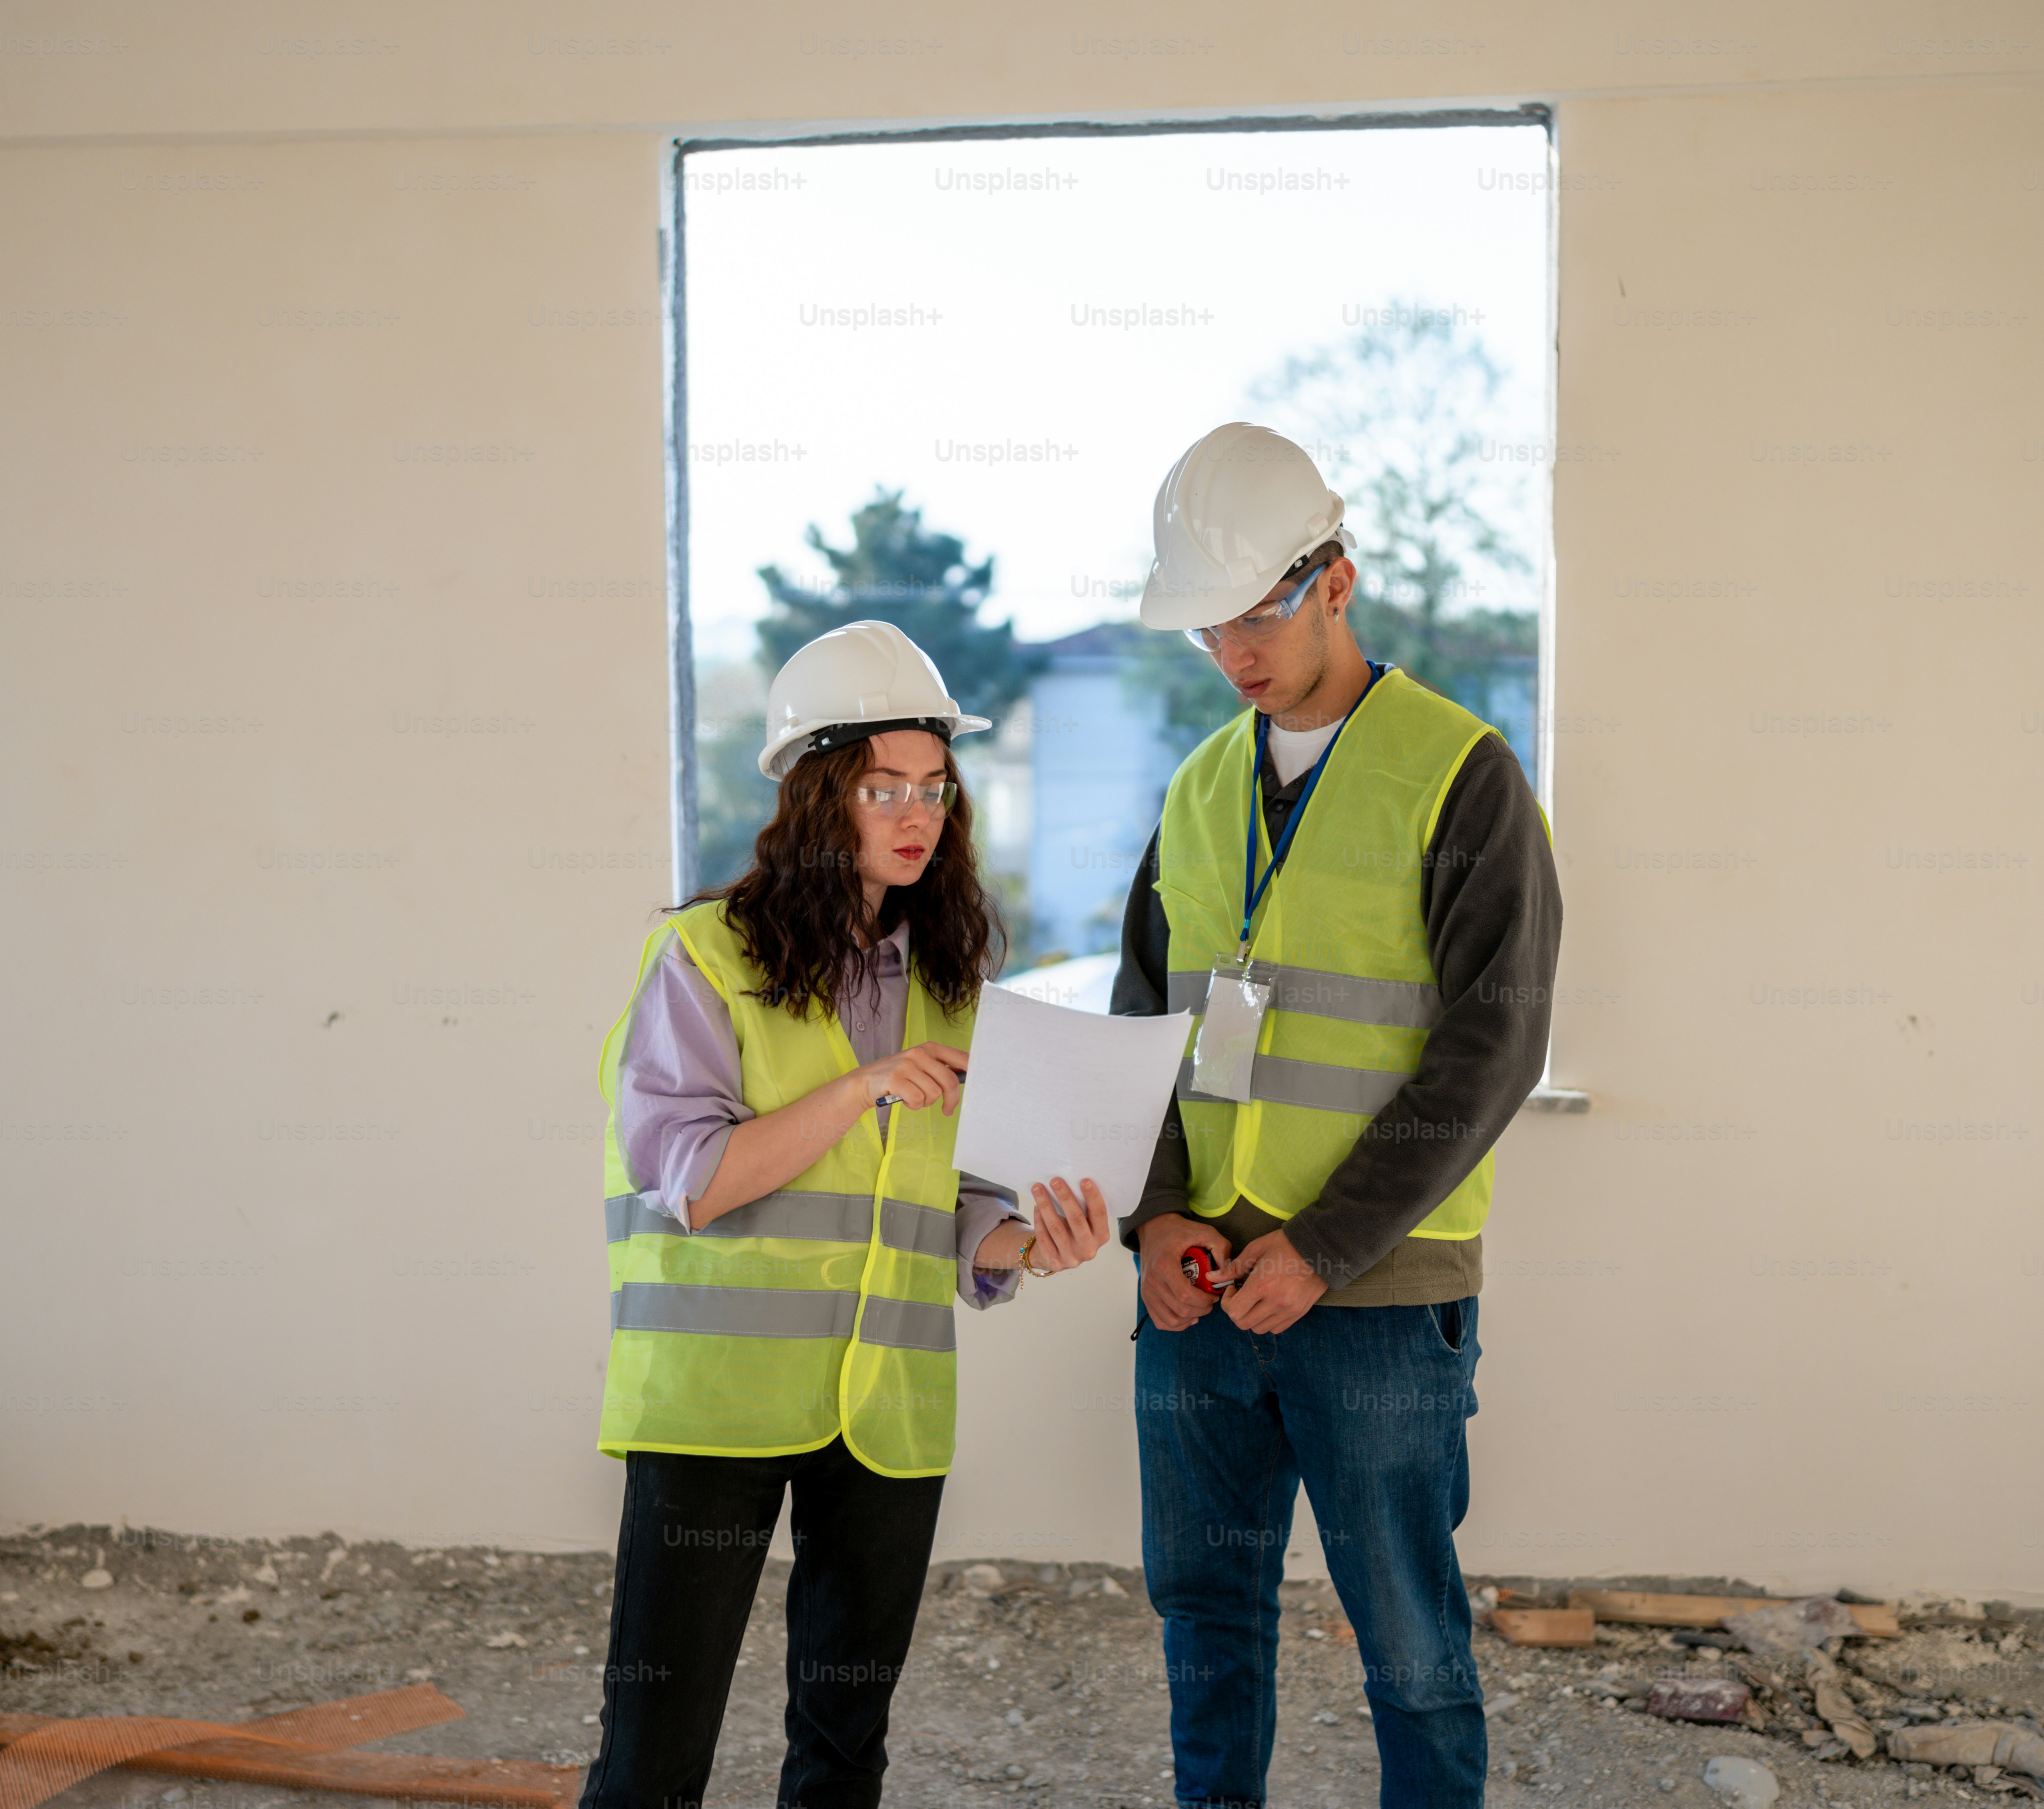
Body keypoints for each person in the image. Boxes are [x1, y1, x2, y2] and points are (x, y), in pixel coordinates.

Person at [583, 619, 1115, 1809]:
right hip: (714, 1409)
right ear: (819, 794)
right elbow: (696, 1175)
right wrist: (860, 1089)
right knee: (654, 1759)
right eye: (884, 787)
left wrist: (1030, 1242)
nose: (916, 813)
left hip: (885, 1411)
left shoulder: (946, 980)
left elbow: (955, 1191)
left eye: (934, 787)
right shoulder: (703, 959)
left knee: (842, 1753)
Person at [1113, 424, 1563, 1808]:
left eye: (1260, 614)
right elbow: (1144, 1029)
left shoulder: (1458, 770)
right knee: (1207, 1625)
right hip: (1197, 1286)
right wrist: (1155, 1218)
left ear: (1337, 580)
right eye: (1211, 630)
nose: (1237, 653)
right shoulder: (1197, 793)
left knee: (1411, 1646)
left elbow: (1498, 1039)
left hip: (1371, 1292)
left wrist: (1330, 1243)